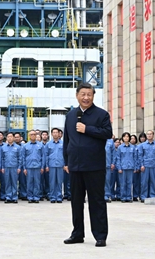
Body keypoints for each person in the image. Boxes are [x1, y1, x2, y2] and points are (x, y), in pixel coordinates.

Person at [63, 82, 112, 247]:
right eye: (83, 94)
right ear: (77, 95)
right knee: (76, 201)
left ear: (93, 96)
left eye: (89, 94)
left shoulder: (101, 114)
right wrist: (66, 161)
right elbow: (66, 140)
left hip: (94, 166)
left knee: (96, 201)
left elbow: (107, 133)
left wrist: (87, 129)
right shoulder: (70, 116)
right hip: (75, 166)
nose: (86, 97)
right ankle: (77, 233)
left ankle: (100, 235)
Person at [23, 130, 46, 203]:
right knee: (29, 183)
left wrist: (42, 167)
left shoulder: (40, 145)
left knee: (37, 183)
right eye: (31, 134)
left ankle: (36, 197)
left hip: (37, 167)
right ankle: (30, 197)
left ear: (36, 136)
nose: (33, 136)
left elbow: (43, 157)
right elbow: (23, 157)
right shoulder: (25, 146)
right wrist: (24, 168)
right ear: (29, 136)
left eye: (34, 134)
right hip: (29, 167)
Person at [137, 130, 155, 201]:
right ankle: (143, 196)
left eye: (150, 134)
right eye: (148, 134)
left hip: (154, 165)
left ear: (153, 135)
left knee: (153, 181)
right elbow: (140, 156)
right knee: (144, 182)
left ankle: (152, 195)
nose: (149, 135)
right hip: (145, 166)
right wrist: (141, 165)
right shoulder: (142, 145)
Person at [0, 132, 22, 204]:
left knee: (14, 182)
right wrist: (2, 167)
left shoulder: (18, 147)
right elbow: (2, 158)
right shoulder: (3, 147)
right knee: (7, 183)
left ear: (13, 138)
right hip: (6, 167)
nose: (9, 138)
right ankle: (8, 197)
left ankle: (14, 197)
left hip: (14, 167)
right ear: (6, 138)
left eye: (11, 137)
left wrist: (19, 167)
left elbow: (20, 158)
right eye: (8, 137)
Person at [115, 132, 136, 203]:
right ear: (123, 138)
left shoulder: (133, 147)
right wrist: (119, 168)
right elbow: (118, 158)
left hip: (130, 167)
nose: (126, 138)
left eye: (127, 137)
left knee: (129, 183)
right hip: (123, 168)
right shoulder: (120, 147)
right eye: (124, 137)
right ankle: (123, 197)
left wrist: (135, 167)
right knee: (123, 183)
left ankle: (129, 197)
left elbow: (135, 158)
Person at [45, 127, 65, 203]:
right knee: (52, 182)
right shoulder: (48, 144)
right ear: (52, 134)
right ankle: (53, 197)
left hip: (60, 165)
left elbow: (65, 155)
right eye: (54, 132)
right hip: (51, 165)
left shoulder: (63, 144)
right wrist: (46, 165)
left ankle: (59, 196)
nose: (55, 134)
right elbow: (46, 155)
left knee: (59, 181)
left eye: (57, 132)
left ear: (59, 134)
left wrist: (65, 165)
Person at [104, 134, 116, 202]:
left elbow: (113, 153)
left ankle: (107, 195)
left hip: (107, 164)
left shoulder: (110, 141)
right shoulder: (97, 139)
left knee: (107, 181)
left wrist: (113, 163)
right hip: (98, 164)